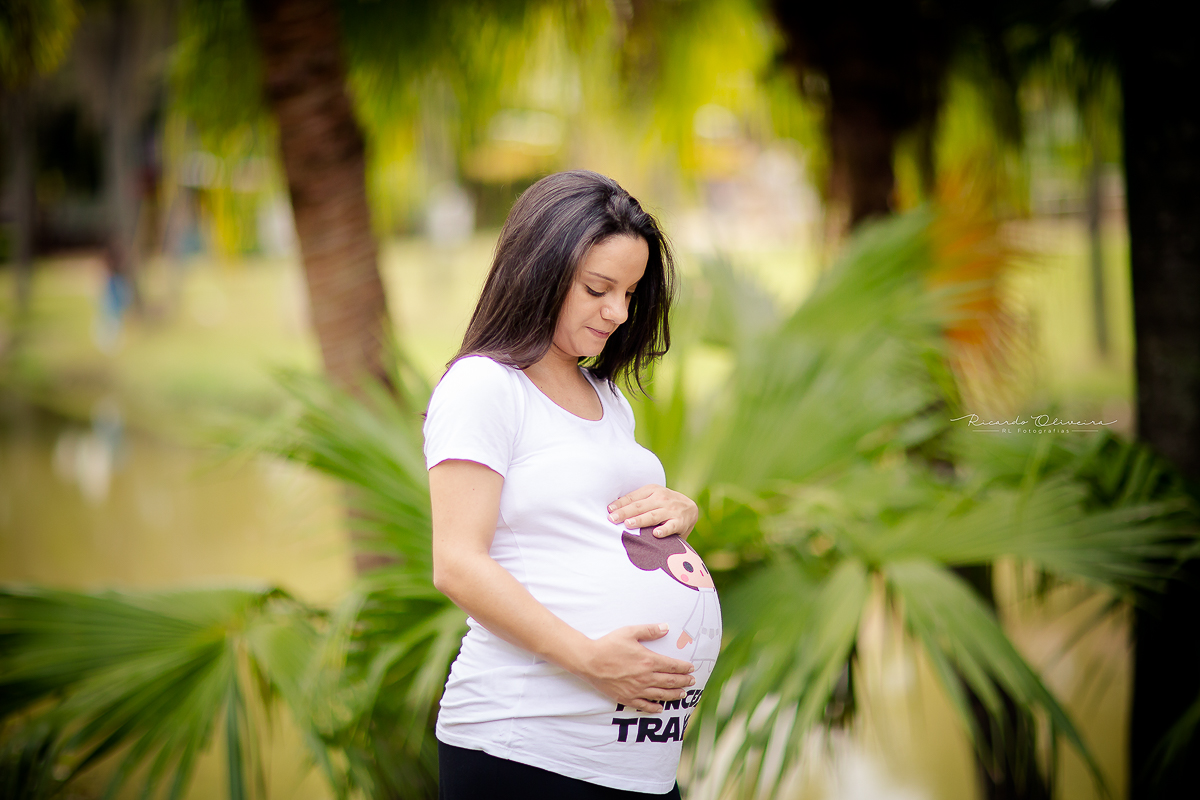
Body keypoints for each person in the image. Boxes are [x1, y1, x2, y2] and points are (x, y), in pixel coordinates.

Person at [424, 170, 722, 799]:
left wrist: (676, 510)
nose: (617, 311)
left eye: (631, 292)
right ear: (540, 270)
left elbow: (593, 521)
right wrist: (590, 659)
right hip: (525, 749)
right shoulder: (485, 386)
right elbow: (456, 563)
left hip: (627, 764)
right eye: (597, 288)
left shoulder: (607, 397)